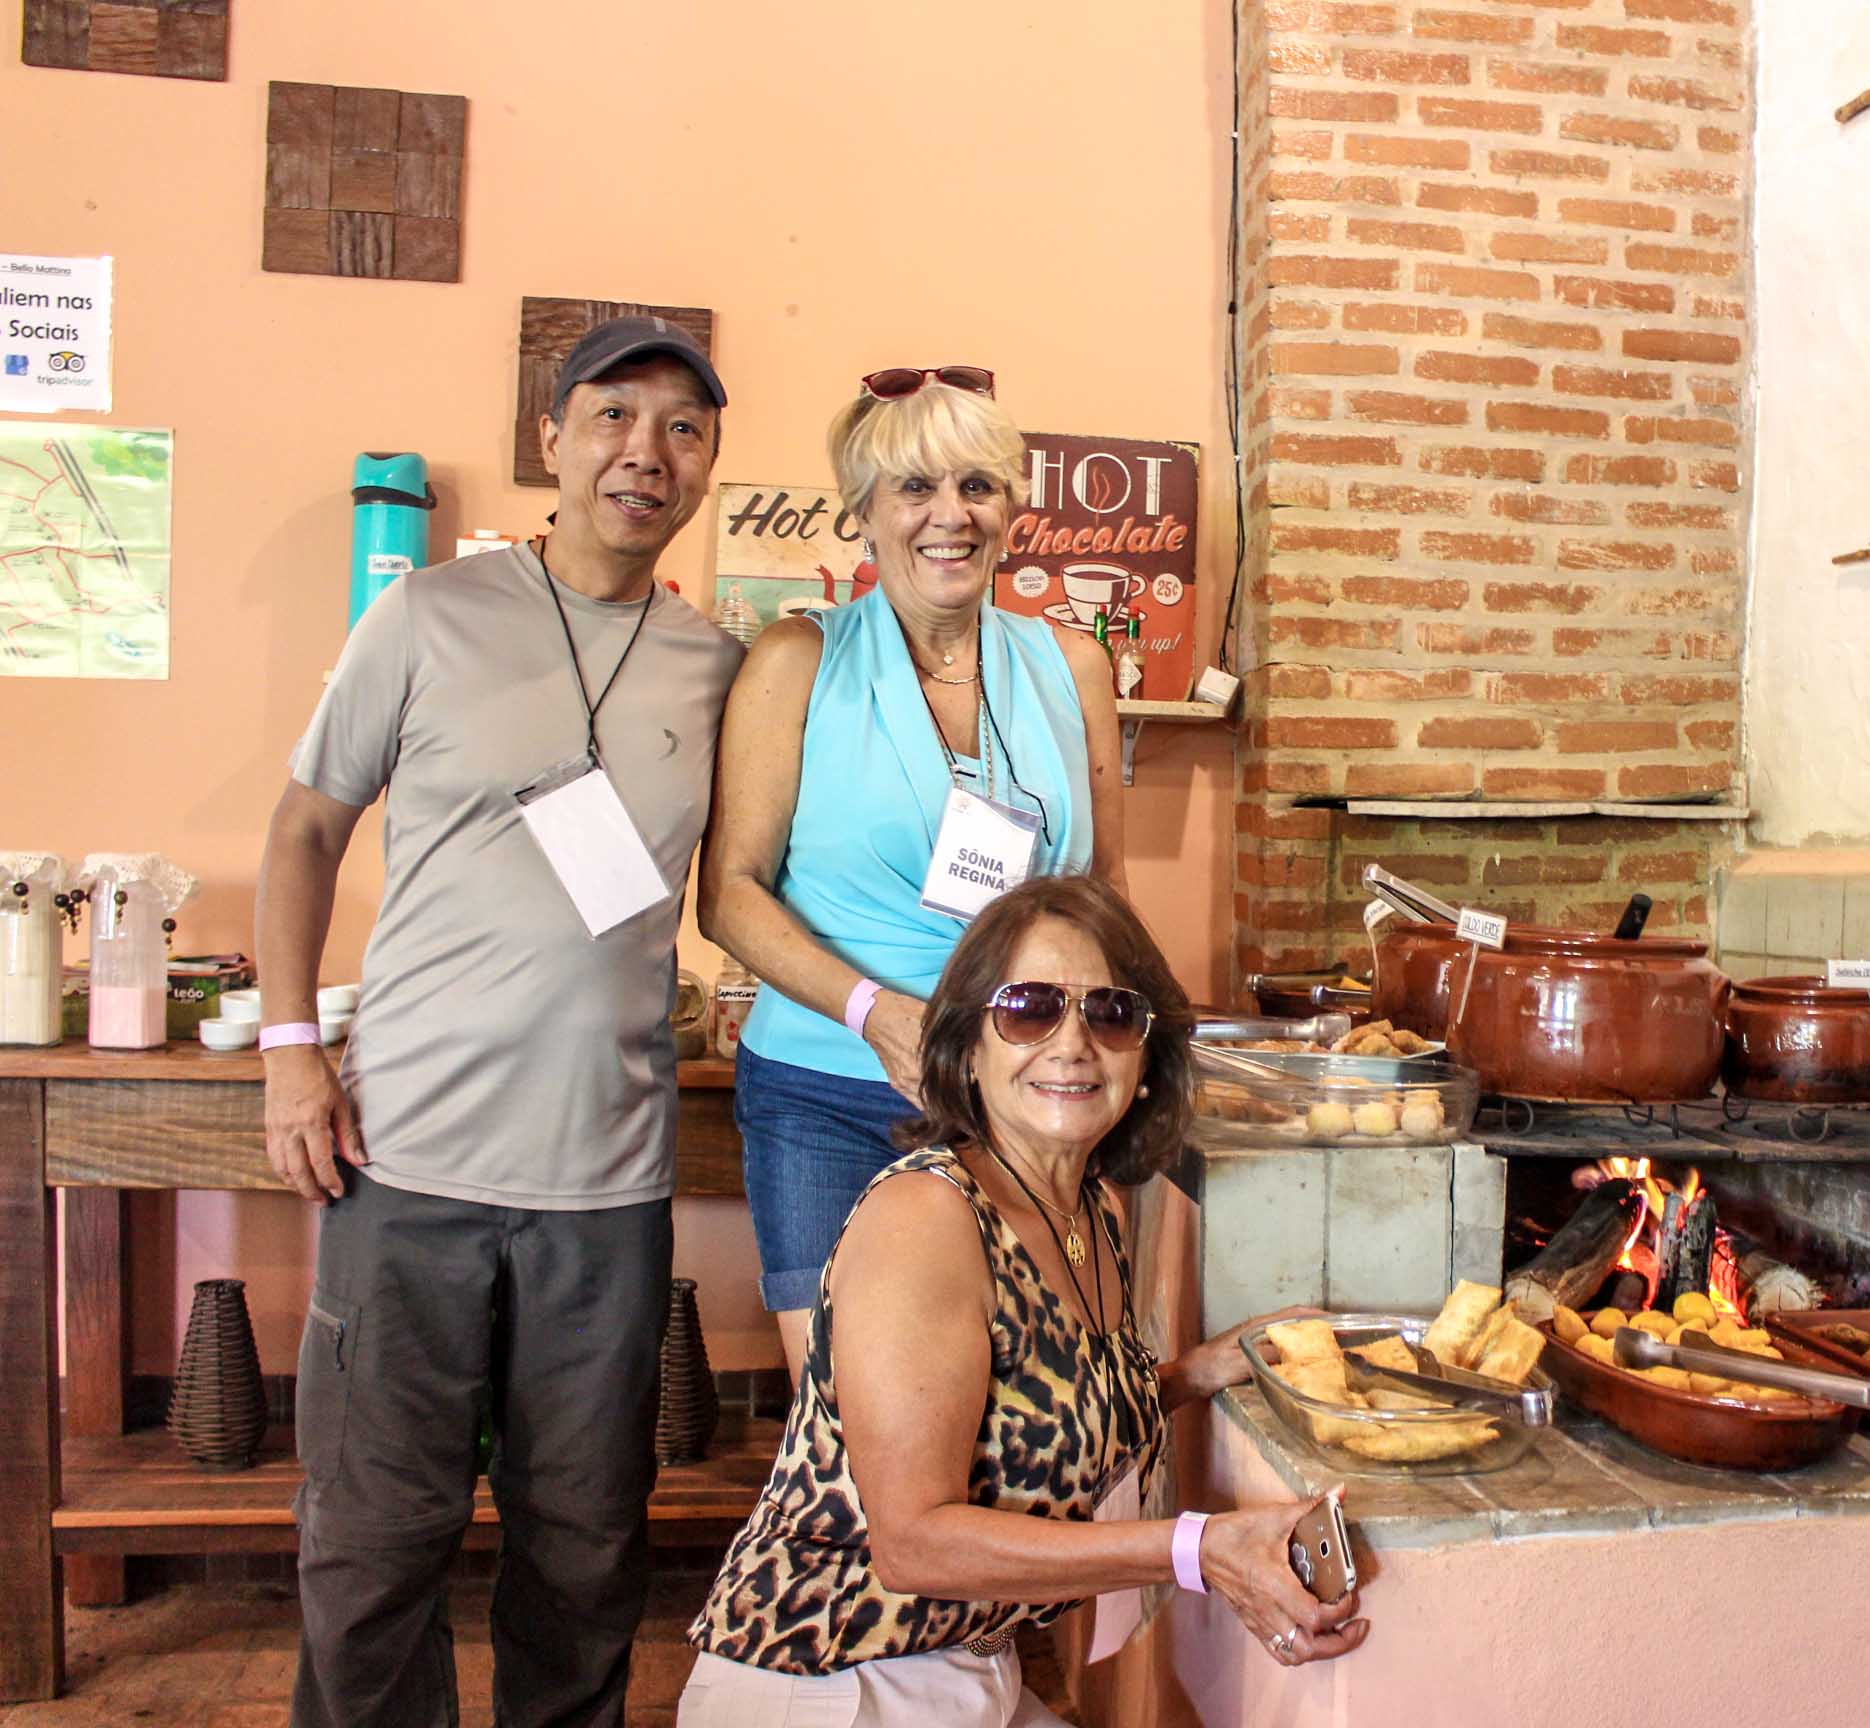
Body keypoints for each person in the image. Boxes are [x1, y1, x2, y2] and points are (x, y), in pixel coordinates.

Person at [255, 316, 742, 1726]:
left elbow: (755, 879)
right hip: (403, 1161)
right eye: (613, 417)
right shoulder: (425, 617)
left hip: (606, 1185)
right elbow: (303, 830)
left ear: (707, 466)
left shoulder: (718, 667)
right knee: (373, 1543)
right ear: (552, 440)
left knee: (586, 1550)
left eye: (684, 428)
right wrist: (290, 1053)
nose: (645, 452)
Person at [681, 875, 1366, 1723]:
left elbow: (1039, 1411)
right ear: (967, 1047)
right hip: (830, 1682)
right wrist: (1200, 1549)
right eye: (1028, 1008)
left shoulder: (1090, 1212)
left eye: (1110, 1014)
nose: (1072, 1043)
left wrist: (1198, 1371)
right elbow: (913, 1543)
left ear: (1145, 1060)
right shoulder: (926, 1218)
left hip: (968, 1673)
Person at [698, 365, 1128, 1373]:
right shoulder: (796, 659)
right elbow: (728, 895)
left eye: (977, 487)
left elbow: (1102, 893)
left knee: (1025, 1397)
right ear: (864, 513)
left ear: (1011, 511)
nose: (951, 515)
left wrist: (1106, 1051)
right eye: (915, 488)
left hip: (1022, 1095)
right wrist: (877, 1014)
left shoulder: (1072, 667)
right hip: (829, 1090)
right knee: (852, 1406)